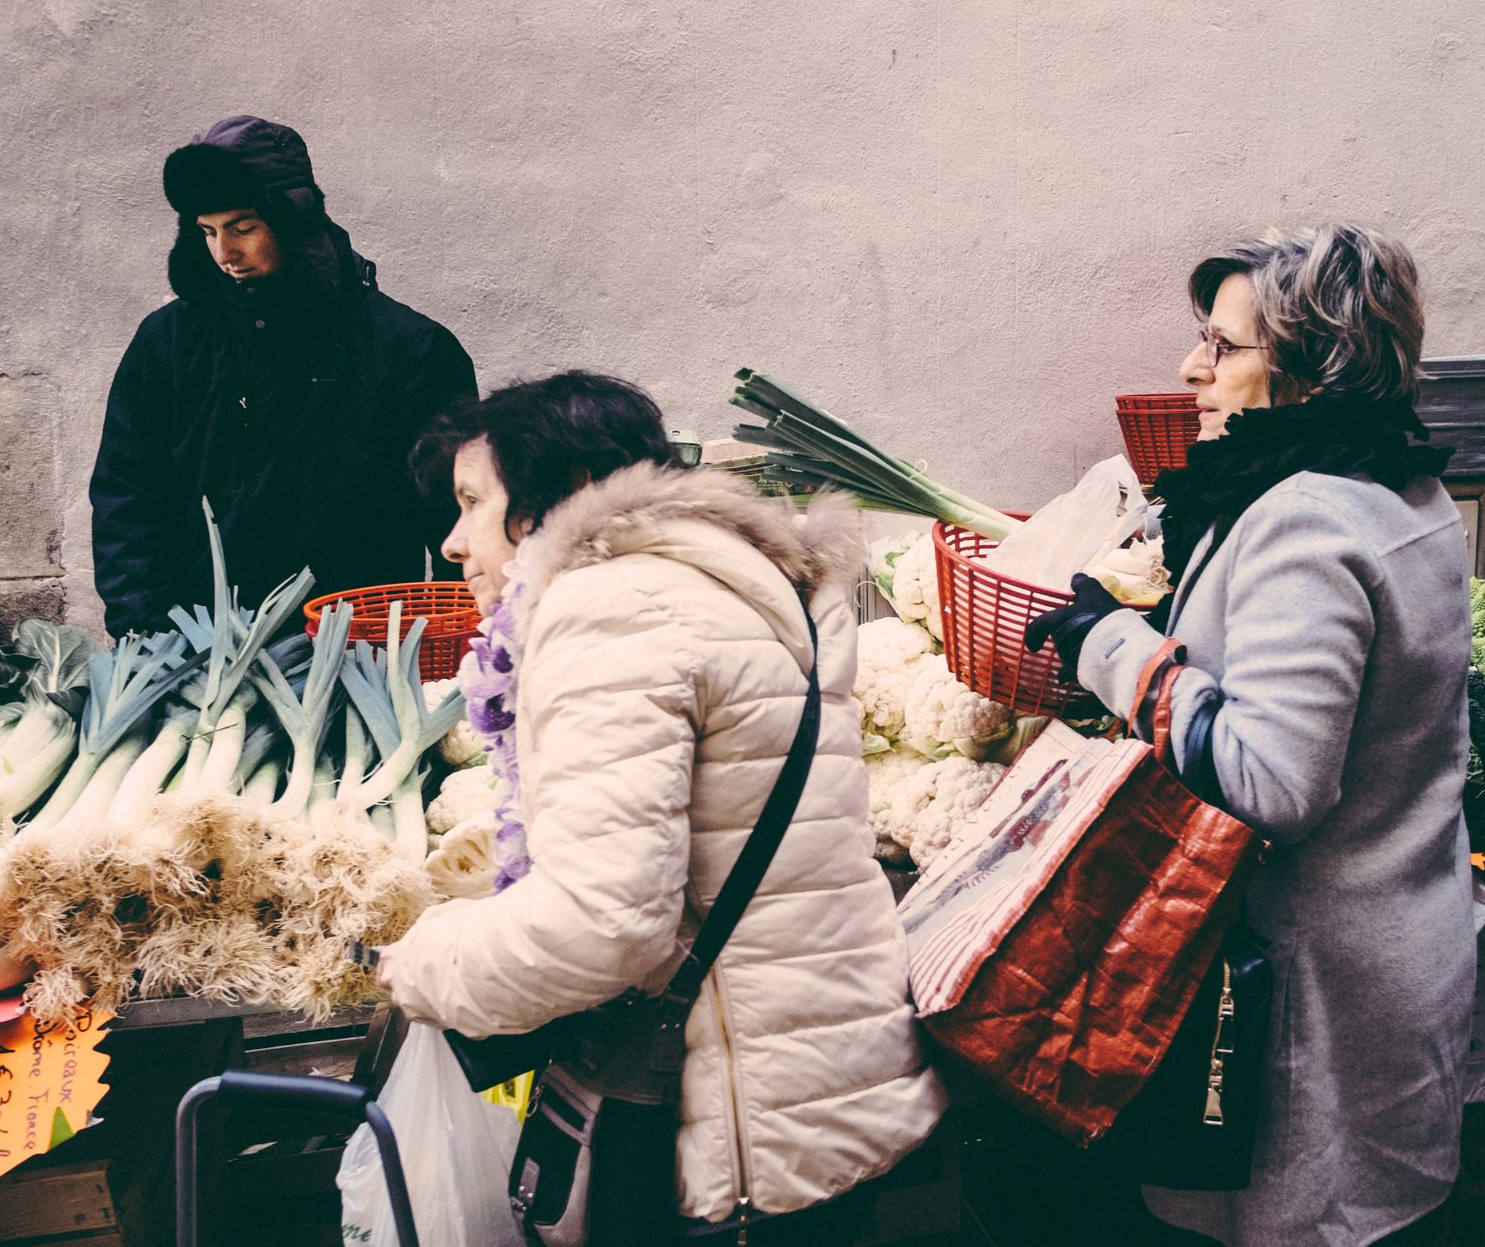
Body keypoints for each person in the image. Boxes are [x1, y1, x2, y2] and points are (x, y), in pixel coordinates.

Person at [376, 372, 947, 1241]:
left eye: (472, 502)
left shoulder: (613, 610)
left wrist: (419, 964)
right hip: (820, 1080)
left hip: (741, 1121)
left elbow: (600, 924)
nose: (454, 542)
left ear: (549, 502)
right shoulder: (726, 587)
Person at [1027, 223, 1475, 1244]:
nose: (1193, 366)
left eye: (1222, 346)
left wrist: (1109, 646)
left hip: (1313, 989)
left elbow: (1272, 779)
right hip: (1396, 946)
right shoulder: (1401, 485)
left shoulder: (1304, 518)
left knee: (1305, 1220)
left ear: (1311, 369)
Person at [90, 115, 477, 635]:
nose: (224, 253)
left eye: (243, 228)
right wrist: (142, 632)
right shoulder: (168, 344)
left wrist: (464, 645)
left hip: (355, 655)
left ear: (292, 219)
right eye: (208, 231)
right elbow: (127, 495)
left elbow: (455, 518)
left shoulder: (410, 350)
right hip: (196, 655)